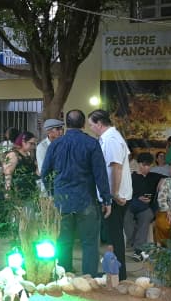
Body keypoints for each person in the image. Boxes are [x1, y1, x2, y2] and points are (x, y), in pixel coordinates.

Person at [41, 109, 112, 276]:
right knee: (89, 242)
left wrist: (53, 194)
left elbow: (45, 173)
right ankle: (89, 278)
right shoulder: (92, 143)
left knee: (64, 241)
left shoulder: (55, 144)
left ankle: (64, 275)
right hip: (86, 199)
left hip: (62, 201)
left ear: (66, 124)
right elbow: (100, 174)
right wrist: (106, 200)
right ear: (83, 124)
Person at [88, 110, 132, 280]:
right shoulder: (109, 138)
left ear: (99, 124)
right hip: (112, 194)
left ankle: (118, 274)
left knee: (115, 235)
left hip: (115, 196)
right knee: (112, 234)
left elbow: (116, 168)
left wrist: (113, 194)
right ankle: (115, 271)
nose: (90, 128)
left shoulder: (112, 139)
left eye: (91, 125)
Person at [125, 152, 161, 252]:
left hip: (146, 207)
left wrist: (162, 181)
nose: (147, 168)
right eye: (144, 165)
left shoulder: (153, 176)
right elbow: (126, 194)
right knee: (125, 216)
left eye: (149, 165)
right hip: (132, 205)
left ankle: (138, 248)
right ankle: (134, 241)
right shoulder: (130, 177)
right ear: (139, 164)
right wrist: (137, 198)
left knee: (146, 216)